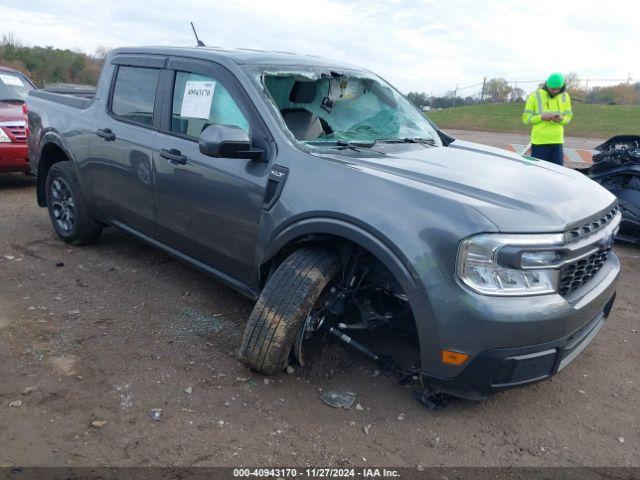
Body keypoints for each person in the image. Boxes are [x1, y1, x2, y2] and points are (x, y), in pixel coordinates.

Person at [522, 73, 573, 165]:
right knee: (537, 172)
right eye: (552, 88)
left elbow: (568, 118)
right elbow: (526, 119)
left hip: (557, 141)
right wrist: (541, 117)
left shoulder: (565, 97)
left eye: (558, 88)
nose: (555, 91)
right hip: (539, 142)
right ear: (547, 85)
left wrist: (561, 119)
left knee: (557, 173)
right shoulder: (535, 96)